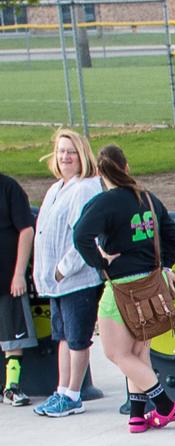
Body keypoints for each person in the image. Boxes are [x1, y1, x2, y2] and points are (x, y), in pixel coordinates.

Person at [69, 145, 175, 433]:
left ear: (98, 172)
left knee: (116, 354)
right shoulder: (147, 198)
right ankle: (136, 416)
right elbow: (170, 233)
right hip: (151, 285)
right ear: (127, 167)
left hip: (121, 288)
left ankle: (167, 406)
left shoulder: (105, 203)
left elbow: (81, 235)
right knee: (138, 352)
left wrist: (101, 262)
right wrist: (165, 265)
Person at [28, 127, 102, 417]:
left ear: (82, 154)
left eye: (71, 151)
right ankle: (61, 390)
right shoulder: (57, 187)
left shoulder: (84, 188)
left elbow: (85, 236)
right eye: (61, 151)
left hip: (76, 281)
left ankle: (74, 394)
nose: (65, 157)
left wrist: (62, 270)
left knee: (77, 338)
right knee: (61, 336)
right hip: (56, 284)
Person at [0, 170, 31, 408]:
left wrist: (19, 273)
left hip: (8, 280)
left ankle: (12, 387)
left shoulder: (9, 187)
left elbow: (26, 230)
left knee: (13, 337)